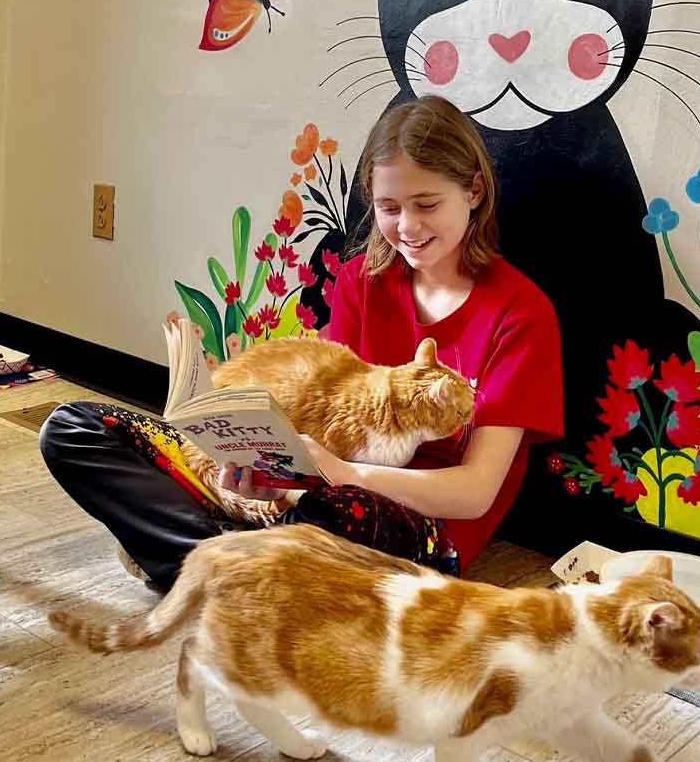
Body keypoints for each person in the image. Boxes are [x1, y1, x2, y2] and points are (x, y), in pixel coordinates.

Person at [38, 95, 563, 591]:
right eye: (388, 206)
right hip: (308, 492)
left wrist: (343, 476)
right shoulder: (362, 279)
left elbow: (475, 493)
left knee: (321, 520)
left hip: (405, 526)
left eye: (427, 204)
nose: (408, 226)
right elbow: (323, 415)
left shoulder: (521, 313)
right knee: (76, 428)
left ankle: (208, 566)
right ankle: (231, 568)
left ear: (473, 191)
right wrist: (265, 465)